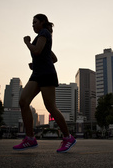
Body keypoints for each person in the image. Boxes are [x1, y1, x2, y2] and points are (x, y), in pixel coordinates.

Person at [13, 14, 76, 153]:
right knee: (23, 102)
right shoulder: (43, 36)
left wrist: (27, 42)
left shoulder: (44, 32)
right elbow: (53, 57)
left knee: (51, 108)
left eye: (35, 22)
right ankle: (30, 138)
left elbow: (36, 51)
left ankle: (68, 137)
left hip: (46, 74)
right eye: (32, 23)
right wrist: (35, 64)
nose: (33, 25)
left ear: (42, 22)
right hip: (37, 74)